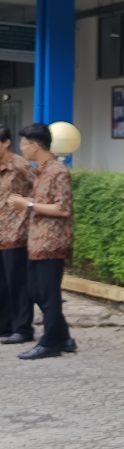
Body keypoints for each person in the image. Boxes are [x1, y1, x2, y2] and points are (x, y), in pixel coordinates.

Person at [5, 123, 76, 360]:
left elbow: (62, 208)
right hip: (36, 241)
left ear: (35, 146)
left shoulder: (58, 171)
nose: (22, 148)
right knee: (36, 291)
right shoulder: (42, 170)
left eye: (25, 144)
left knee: (48, 293)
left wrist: (29, 204)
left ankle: (50, 342)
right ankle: (64, 337)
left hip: (51, 243)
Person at [0, 125, 35, 345]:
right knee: (1, 283)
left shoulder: (20, 166)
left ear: (6, 143)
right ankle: (4, 325)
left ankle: (22, 328)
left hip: (16, 231)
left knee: (18, 283)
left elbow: (38, 191)